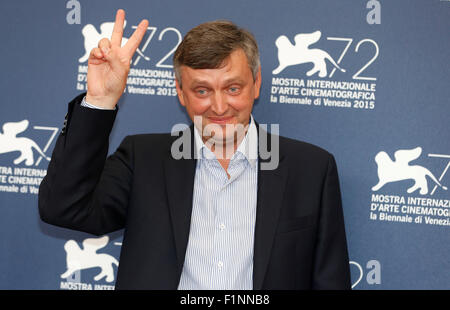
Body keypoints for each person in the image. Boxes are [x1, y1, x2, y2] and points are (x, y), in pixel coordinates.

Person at [39, 9, 351, 290]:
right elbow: (64, 209)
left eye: (232, 88)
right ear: (181, 92)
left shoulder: (311, 169)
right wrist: (101, 100)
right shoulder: (142, 158)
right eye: (202, 90)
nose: (219, 106)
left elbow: (330, 280)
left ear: (256, 84)